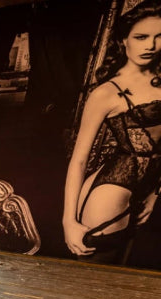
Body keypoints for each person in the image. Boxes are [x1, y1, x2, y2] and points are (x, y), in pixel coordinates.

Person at [63, 1, 161, 263]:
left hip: (146, 192)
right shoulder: (106, 93)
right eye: (141, 37)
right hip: (109, 194)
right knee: (93, 279)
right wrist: (68, 221)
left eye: (159, 37)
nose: (151, 46)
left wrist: (155, 194)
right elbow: (79, 160)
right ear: (124, 40)